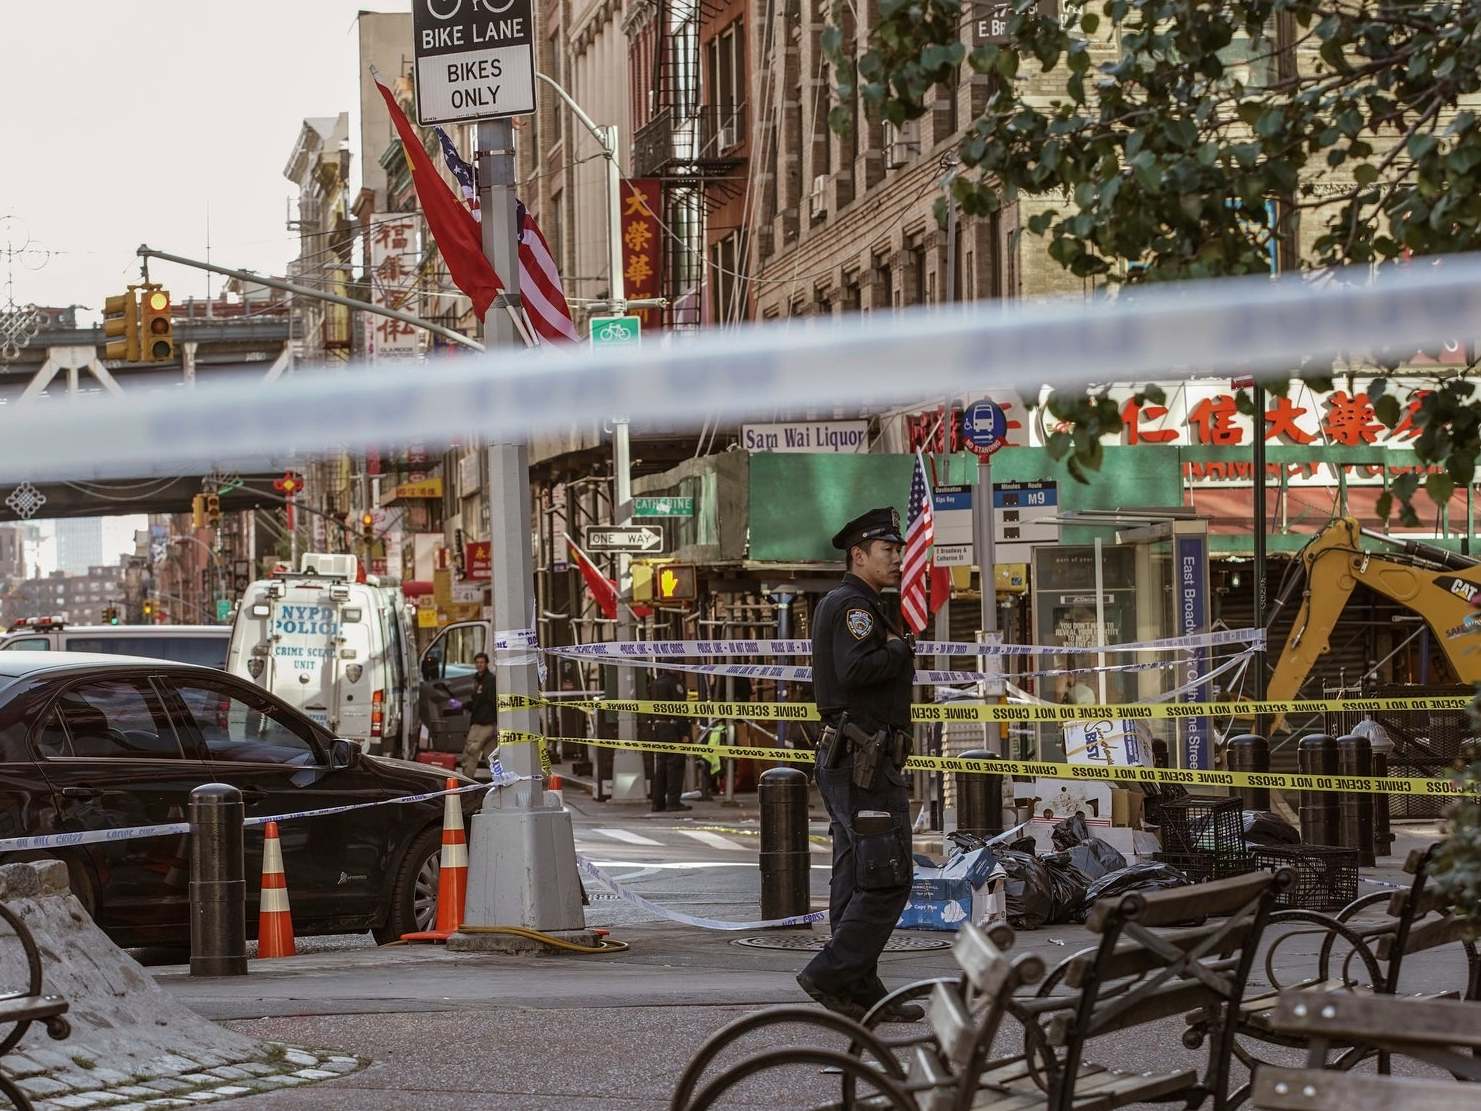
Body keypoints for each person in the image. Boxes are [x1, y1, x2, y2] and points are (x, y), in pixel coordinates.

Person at [797, 507, 924, 1024]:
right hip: (862, 761)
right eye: (888, 551)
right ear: (859, 555)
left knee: (856, 872)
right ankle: (832, 972)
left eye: (898, 550)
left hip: (856, 759)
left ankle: (857, 984)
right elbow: (855, 670)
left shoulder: (857, 603)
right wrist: (901, 649)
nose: (897, 558)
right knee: (887, 875)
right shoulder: (854, 606)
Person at [648, 668, 693, 813]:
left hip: (659, 728)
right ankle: (673, 802)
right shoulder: (675, 684)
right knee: (675, 765)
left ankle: (657, 802)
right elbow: (679, 709)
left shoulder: (655, 683)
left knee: (661, 766)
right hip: (673, 729)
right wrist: (685, 732)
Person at [460, 652, 498, 779]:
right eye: (477, 662)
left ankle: (465, 782)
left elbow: (492, 702)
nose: (479, 665)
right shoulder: (477, 679)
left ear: (486, 664)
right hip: (487, 723)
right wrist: (463, 706)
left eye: (482, 662)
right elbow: (477, 702)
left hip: (483, 723)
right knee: (492, 756)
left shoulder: (490, 681)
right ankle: (501, 781)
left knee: (470, 752)